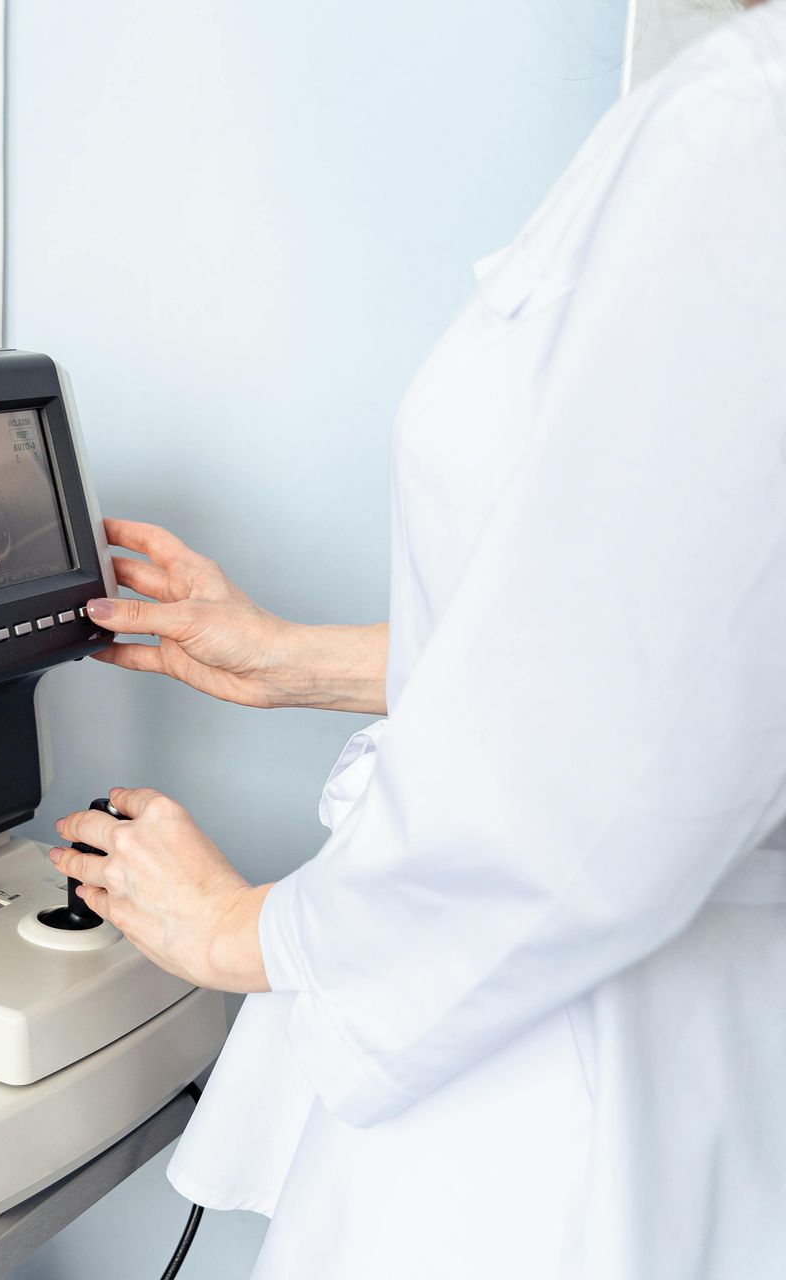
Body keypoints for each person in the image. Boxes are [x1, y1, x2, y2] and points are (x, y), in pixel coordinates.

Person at [49, 6, 786, 1277]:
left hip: (557, 1094)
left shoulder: (750, 129)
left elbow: (598, 783)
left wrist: (246, 932)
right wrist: (289, 656)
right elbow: (678, 646)